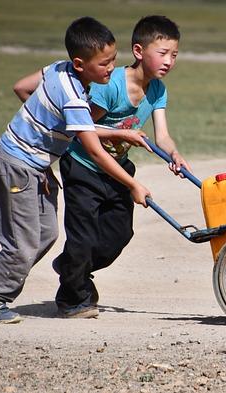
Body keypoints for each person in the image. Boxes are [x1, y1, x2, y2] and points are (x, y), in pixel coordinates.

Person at [0, 17, 151, 323]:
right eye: (104, 63)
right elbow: (93, 149)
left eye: (114, 59)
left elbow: (21, 87)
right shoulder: (75, 97)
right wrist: (133, 184)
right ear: (80, 63)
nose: (111, 68)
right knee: (22, 243)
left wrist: (43, 148)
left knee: (46, 234)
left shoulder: (57, 68)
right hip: (16, 166)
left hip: (33, 165)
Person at [52, 15, 191, 319]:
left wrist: (174, 155)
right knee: (83, 237)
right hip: (83, 167)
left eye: (175, 55)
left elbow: (162, 136)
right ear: (139, 52)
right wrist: (121, 133)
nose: (169, 61)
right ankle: (72, 297)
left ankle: (71, 266)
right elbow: (80, 127)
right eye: (162, 53)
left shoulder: (157, 91)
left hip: (118, 169)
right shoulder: (111, 86)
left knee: (119, 235)